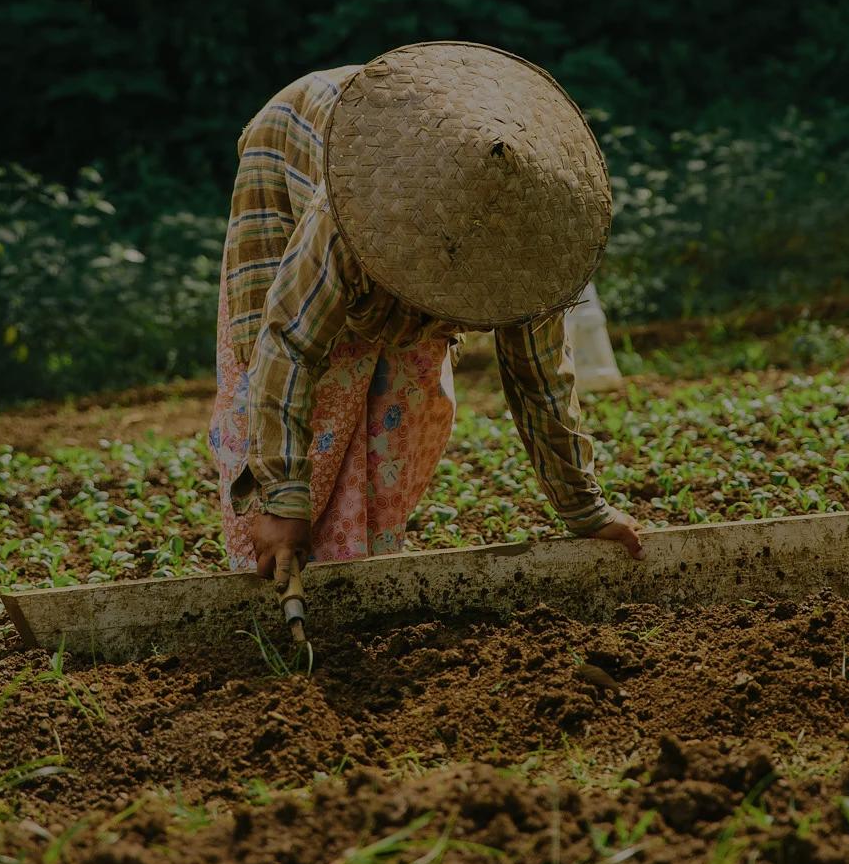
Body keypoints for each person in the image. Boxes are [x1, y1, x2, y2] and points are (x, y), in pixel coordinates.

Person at [208, 41, 643, 581]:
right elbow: (287, 344)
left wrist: (583, 506)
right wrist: (282, 501)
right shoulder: (351, 212)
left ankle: (363, 570)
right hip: (293, 146)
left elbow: (540, 379)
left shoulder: (531, 238)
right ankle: (269, 564)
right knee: (328, 393)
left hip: (427, 179)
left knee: (411, 401)